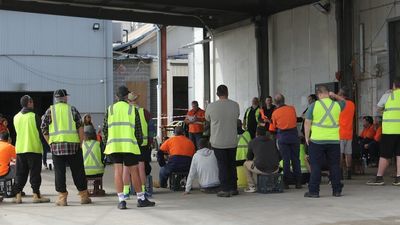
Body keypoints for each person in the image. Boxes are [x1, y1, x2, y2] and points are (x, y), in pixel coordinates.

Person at [103, 86, 155, 209]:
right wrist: (137, 143)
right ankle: (141, 199)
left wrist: (108, 142)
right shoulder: (132, 110)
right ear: (127, 96)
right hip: (129, 146)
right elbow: (138, 131)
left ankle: (121, 200)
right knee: (134, 171)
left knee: (118, 171)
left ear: (116, 97)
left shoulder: (110, 110)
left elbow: (105, 130)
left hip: (114, 145)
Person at [41, 89, 91, 206]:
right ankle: (84, 196)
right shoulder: (72, 109)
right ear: (65, 98)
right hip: (73, 146)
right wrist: (80, 142)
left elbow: (43, 127)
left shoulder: (50, 111)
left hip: (57, 147)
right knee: (78, 171)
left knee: (59, 172)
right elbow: (80, 126)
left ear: (55, 99)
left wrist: (50, 142)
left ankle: (62, 198)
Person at [304, 86, 346, 198]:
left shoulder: (314, 105)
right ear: (328, 93)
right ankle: (337, 190)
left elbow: (307, 122)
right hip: (334, 140)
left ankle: (314, 191)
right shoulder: (336, 105)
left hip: (317, 140)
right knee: (334, 165)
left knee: (316, 165)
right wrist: (335, 96)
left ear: (318, 94)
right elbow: (344, 101)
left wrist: (307, 137)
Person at [12, 95, 50, 204]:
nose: (33, 103)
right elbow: (41, 133)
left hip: (20, 149)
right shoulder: (34, 116)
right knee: (35, 173)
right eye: (32, 102)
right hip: (33, 148)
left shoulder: (16, 117)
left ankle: (18, 195)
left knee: (20, 173)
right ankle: (36, 195)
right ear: (28, 103)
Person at [205, 84, 240, 197]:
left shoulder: (211, 106)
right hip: (232, 140)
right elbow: (237, 116)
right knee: (231, 164)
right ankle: (233, 188)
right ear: (227, 92)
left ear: (217, 94)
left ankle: (225, 189)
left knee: (222, 165)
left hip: (218, 141)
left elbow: (207, 118)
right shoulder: (235, 105)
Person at [367, 77, 400, 186]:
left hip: (389, 130)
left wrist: (385, 111)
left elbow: (378, 109)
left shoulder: (388, 95)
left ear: (394, 85)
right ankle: (398, 178)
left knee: (385, 155)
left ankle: (379, 177)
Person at [122, 92, 153, 198]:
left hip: (128, 143)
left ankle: (126, 192)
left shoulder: (125, 112)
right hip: (142, 144)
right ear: (136, 100)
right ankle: (143, 191)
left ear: (128, 101)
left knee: (126, 168)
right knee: (141, 168)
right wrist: (150, 142)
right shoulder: (144, 112)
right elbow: (151, 129)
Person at [269, 94, 302, 189]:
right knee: (296, 159)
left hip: (283, 137)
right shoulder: (292, 109)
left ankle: (286, 183)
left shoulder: (275, 113)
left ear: (275, 102)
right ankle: (298, 182)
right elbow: (295, 120)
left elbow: (272, 129)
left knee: (286, 160)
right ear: (284, 100)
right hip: (294, 137)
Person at [243, 127, 281, 193]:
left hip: (261, 168)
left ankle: (252, 186)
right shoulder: (272, 141)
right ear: (265, 133)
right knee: (256, 163)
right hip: (275, 168)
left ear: (256, 133)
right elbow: (279, 156)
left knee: (246, 164)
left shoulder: (252, 142)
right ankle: (259, 184)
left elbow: (249, 158)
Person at [335, 87, 355, 180]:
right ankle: (349, 172)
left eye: (338, 94)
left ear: (342, 95)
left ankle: (340, 173)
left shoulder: (338, 105)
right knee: (348, 153)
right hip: (349, 133)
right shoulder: (352, 104)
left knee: (340, 153)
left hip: (340, 132)